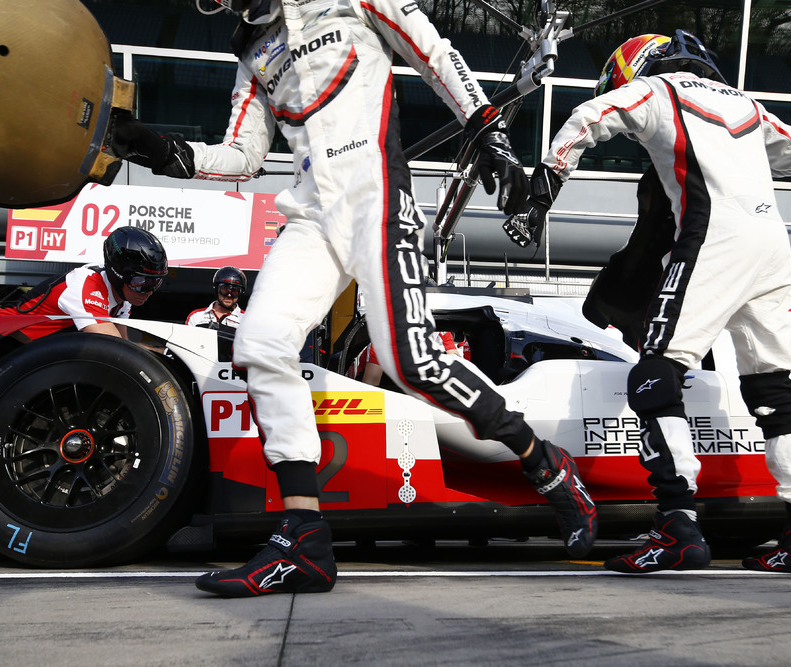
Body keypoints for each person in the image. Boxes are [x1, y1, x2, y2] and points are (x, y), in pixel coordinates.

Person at [110, 0, 597, 598]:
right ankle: (304, 539)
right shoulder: (249, 48)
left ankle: (544, 463)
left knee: (410, 363)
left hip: (377, 197)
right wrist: (161, 151)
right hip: (311, 213)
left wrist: (489, 133)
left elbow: (435, 54)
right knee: (260, 345)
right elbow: (243, 155)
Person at [505, 30, 791, 576]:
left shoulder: (656, 90)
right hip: (773, 244)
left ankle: (678, 527)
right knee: (773, 385)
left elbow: (587, 118)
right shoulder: (746, 104)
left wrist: (543, 192)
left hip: (712, 237)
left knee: (654, 376)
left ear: (636, 68)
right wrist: (734, 155)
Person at [0, 226, 168, 341]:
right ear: (117, 275)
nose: (149, 291)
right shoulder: (86, 285)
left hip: (32, 350)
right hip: (0, 338)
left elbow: (124, 342)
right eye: (141, 281)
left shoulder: (126, 294)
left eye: (156, 282)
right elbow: (116, 347)